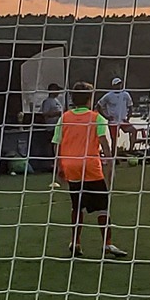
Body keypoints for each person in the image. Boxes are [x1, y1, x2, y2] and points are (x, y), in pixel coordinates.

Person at [54, 81, 128, 259]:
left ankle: (75, 242)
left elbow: (56, 144)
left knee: (77, 206)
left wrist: (59, 166)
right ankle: (107, 244)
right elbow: (104, 142)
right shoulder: (96, 118)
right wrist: (110, 162)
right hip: (90, 167)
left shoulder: (64, 118)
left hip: (71, 166)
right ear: (89, 99)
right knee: (103, 207)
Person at [96, 78, 136, 157]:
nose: (119, 86)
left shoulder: (125, 94)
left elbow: (130, 106)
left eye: (120, 84)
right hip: (113, 122)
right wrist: (106, 116)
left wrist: (128, 118)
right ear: (113, 86)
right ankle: (114, 155)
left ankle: (131, 150)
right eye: (117, 84)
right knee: (114, 139)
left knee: (133, 131)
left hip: (123, 120)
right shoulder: (108, 96)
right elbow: (99, 106)